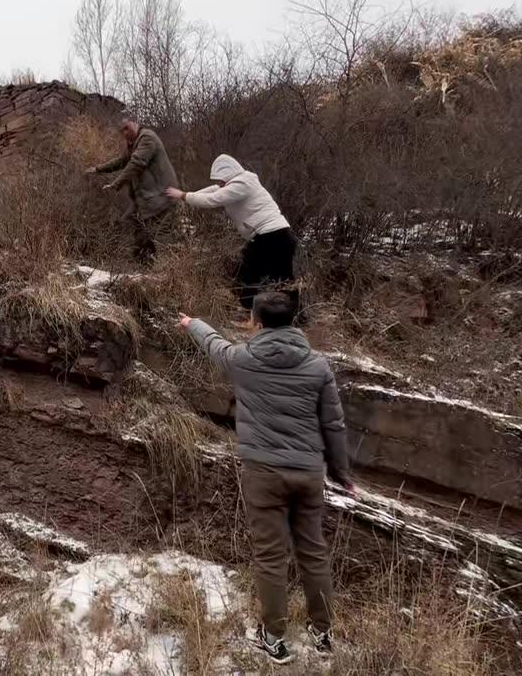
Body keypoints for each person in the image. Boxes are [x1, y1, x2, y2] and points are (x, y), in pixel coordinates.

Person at [178, 291, 353, 665]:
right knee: (313, 552)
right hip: (308, 473)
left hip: (263, 473)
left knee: (272, 558)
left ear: (256, 323)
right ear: (295, 322)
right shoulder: (318, 366)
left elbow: (214, 345)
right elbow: (333, 424)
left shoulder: (244, 360)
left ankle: (274, 637)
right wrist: (340, 471)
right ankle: (322, 633)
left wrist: (192, 324)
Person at [166, 154, 296, 310]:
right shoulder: (240, 182)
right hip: (275, 235)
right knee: (278, 279)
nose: (218, 184)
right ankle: (290, 316)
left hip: (272, 237)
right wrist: (185, 196)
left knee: (249, 277)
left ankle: (256, 314)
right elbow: (211, 191)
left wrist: (183, 195)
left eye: (220, 180)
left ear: (228, 175)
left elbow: (211, 200)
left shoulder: (241, 184)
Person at [86, 114, 179, 263]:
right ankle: (142, 263)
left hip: (162, 197)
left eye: (127, 128)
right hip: (146, 199)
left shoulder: (147, 138)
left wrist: (116, 184)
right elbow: (122, 161)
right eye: (122, 130)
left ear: (135, 123)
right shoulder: (134, 143)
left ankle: (170, 270)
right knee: (130, 222)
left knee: (161, 234)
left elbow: (136, 163)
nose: (125, 133)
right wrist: (98, 169)